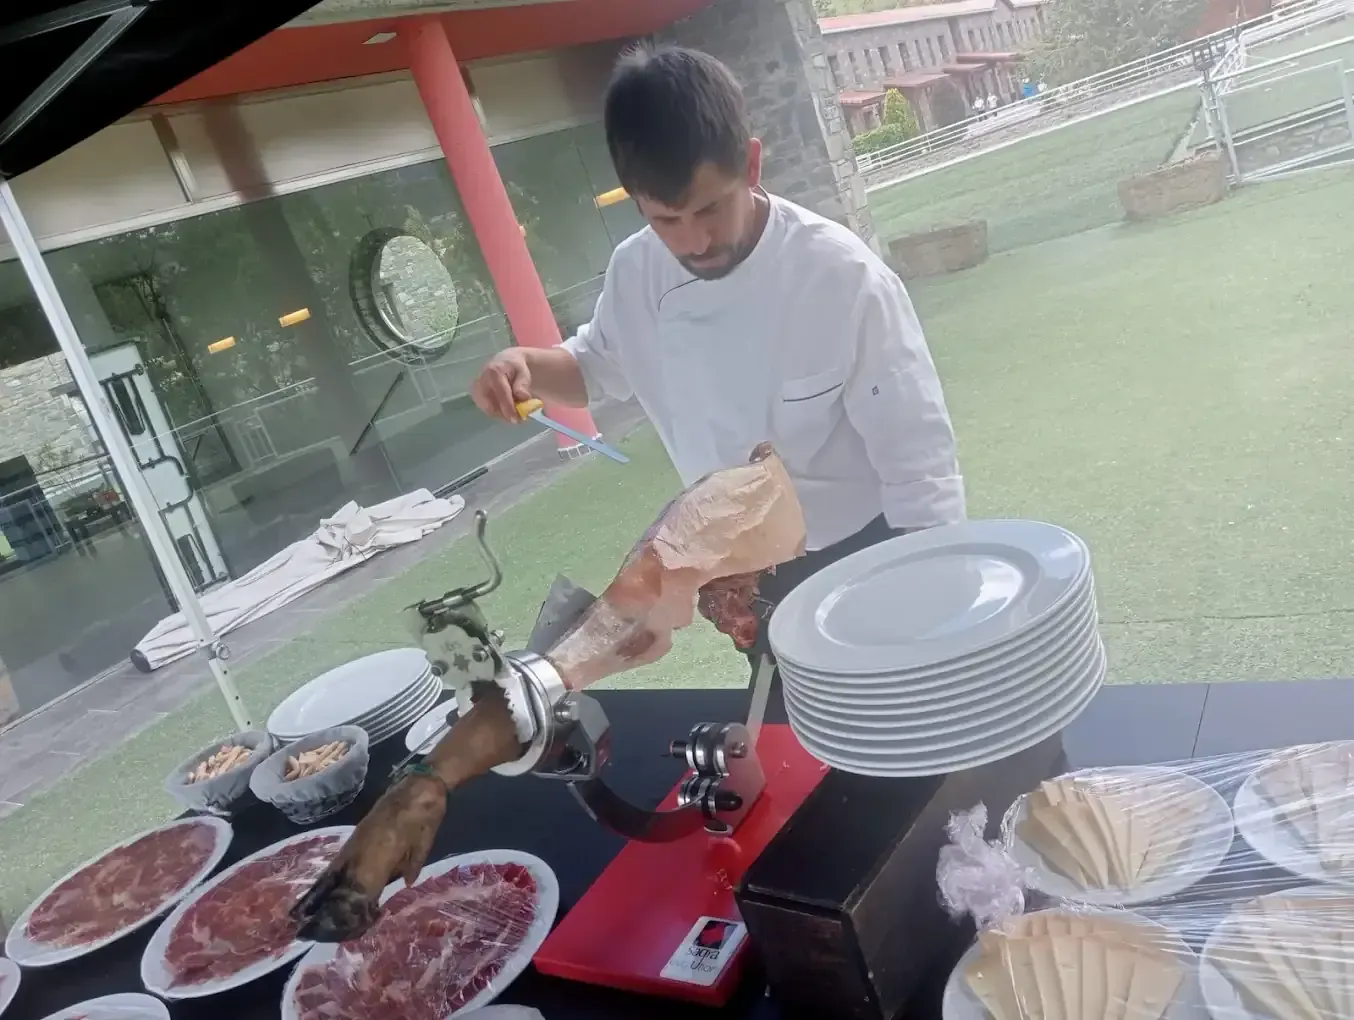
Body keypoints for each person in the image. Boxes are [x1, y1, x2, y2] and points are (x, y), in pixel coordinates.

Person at [471, 44, 965, 650]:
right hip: (743, 571)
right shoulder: (636, 272)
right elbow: (593, 368)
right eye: (666, 220)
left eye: (711, 208)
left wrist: (930, 594)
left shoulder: (841, 277)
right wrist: (522, 365)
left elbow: (918, 462)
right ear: (635, 200)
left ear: (751, 165)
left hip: (859, 551)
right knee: (783, 707)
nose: (696, 241)